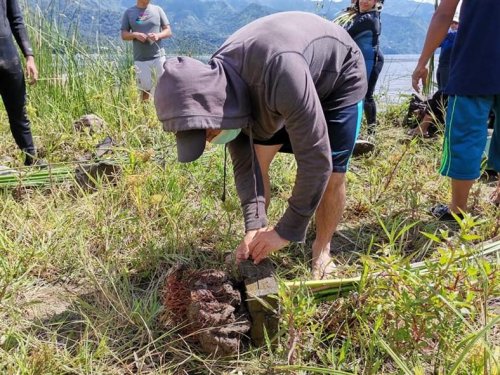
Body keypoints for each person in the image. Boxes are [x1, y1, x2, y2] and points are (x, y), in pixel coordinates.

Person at [154, 12, 367, 279]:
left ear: (216, 111)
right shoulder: (221, 88)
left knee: (334, 173)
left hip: (337, 75)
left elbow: (316, 159)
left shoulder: (279, 72)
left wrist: (285, 230)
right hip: (280, 86)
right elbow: (247, 166)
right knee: (259, 159)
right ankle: (258, 234)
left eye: (206, 134)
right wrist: (254, 226)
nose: (208, 142)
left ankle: (322, 249)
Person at [412, 0, 500, 220]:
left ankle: (458, 208)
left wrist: (423, 61)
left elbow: (444, 13)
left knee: (465, 135)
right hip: (474, 64)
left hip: (474, 63)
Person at [1, 0, 39, 166]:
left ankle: (32, 159)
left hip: (8, 57)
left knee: (19, 113)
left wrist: (29, 56)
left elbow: (16, 19)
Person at [409, 17, 459, 138]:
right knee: (442, 93)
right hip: (442, 67)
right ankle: (440, 125)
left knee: (443, 95)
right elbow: (436, 43)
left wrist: (442, 27)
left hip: (451, 67)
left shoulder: (455, 36)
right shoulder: (448, 37)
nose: (453, 24)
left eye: (456, 23)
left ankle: (426, 126)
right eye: (451, 22)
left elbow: (439, 36)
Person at [344, 0, 384, 138]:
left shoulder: (368, 18)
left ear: (376, 2)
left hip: (372, 60)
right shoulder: (359, 16)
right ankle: (357, 131)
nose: (365, 1)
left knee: (366, 96)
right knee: (357, 95)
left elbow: (345, 35)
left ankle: (371, 134)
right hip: (361, 59)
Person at [121, 0, 172, 101]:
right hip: (141, 59)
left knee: (163, 88)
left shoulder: (158, 10)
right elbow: (124, 35)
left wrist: (158, 35)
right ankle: (145, 116)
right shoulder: (129, 12)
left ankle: (163, 115)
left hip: (159, 57)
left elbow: (168, 31)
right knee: (145, 91)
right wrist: (135, 35)